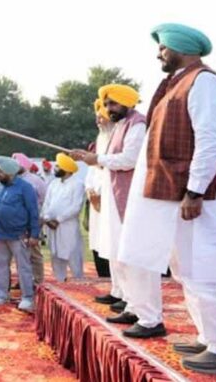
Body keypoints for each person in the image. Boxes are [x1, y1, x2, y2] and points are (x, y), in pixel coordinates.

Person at [117, 24, 216, 375]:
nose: (158, 53)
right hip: (176, 195)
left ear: (180, 47)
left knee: (208, 268)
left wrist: (195, 191)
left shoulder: (203, 81)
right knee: (188, 270)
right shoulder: (177, 82)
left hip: (195, 197)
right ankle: (209, 338)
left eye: (162, 48)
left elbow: (210, 140)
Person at [72, 84, 146, 320]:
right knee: (116, 250)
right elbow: (105, 163)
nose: (107, 109)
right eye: (105, 104)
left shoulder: (137, 124)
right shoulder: (120, 127)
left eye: (112, 103)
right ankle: (129, 302)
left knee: (128, 253)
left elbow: (129, 159)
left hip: (127, 197)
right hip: (112, 197)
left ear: (127, 102)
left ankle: (139, 308)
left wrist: (98, 158)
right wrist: (89, 158)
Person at [0, 156, 40, 313]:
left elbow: (33, 212)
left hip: (19, 235)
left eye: (0, 172)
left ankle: (27, 298)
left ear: (10, 173)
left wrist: (34, 234)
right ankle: (1, 294)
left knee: (23, 267)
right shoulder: (0, 188)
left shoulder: (25, 187)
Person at [41, 153, 86, 282]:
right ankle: (60, 280)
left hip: (67, 225)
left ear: (65, 168)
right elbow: (47, 203)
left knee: (72, 252)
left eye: (57, 166)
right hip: (51, 225)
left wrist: (59, 219)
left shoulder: (77, 184)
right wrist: (47, 218)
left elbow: (76, 207)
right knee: (55, 253)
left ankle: (78, 280)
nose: (55, 168)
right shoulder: (54, 183)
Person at [83, 99, 113, 279]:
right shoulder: (100, 140)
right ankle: (105, 282)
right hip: (95, 204)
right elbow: (91, 172)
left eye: (101, 116)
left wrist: (101, 195)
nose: (98, 120)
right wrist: (90, 191)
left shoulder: (116, 138)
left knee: (111, 244)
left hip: (110, 200)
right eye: (97, 117)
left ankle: (118, 290)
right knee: (97, 242)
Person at [12, 152, 47, 286]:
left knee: (34, 251)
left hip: (33, 220)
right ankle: (23, 280)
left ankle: (38, 280)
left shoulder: (36, 180)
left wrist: (41, 218)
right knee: (19, 252)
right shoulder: (13, 180)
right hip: (17, 222)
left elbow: (45, 200)